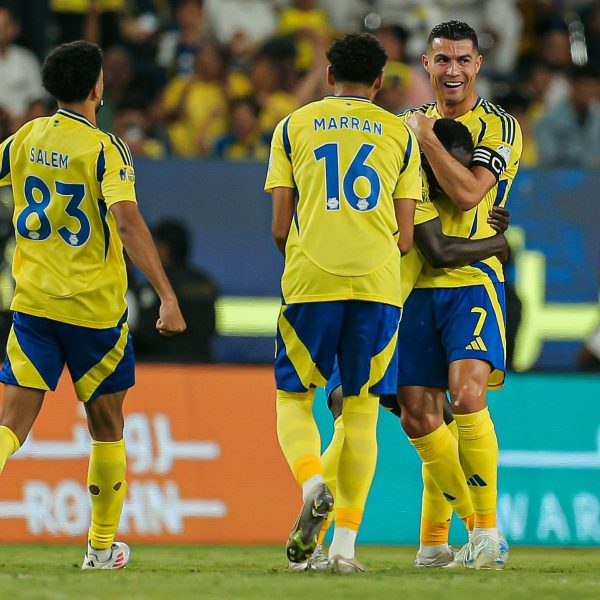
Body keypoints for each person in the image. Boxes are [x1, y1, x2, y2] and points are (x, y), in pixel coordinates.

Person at [0, 40, 186, 569]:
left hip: (33, 305)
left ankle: (103, 549)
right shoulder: (105, 148)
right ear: (96, 88)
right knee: (107, 427)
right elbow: (126, 220)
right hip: (93, 314)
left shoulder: (25, 138)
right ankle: (101, 549)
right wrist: (167, 296)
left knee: (10, 426)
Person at [296, 118, 511, 571]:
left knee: (421, 417)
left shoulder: (381, 173)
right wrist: (495, 242)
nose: (445, 178)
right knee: (375, 419)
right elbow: (440, 251)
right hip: (377, 310)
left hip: (330, 291)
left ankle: (432, 541)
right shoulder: (411, 185)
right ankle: (477, 530)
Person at [265, 33, 421, 573]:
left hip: (312, 279)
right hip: (378, 284)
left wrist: (309, 256)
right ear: (380, 82)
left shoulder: (293, 126)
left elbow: (280, 226)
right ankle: (344, 549)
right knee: (360, 413)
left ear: (329, 76)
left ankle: (312, 482)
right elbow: (406, 236)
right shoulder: (400, 134)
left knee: (293, 399)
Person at [399, 20, 523, 569]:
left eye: (463, 60)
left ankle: (486, 531)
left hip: (472, 278)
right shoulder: (399, 126)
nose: (452, 70)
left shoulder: (499, 127)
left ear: (478, 65)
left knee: (466, 398)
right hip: (413, 281)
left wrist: (425, 139)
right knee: (419, 416)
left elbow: (473, 192)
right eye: (442, 60)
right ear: (426, 65)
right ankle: (433, 541)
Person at [130, 219, 217, 363]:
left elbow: (145, 333)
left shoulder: (157, 285)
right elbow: (210, 329)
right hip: (203, 363)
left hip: (160, 365)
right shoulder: (206, 282)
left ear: (164, 248)